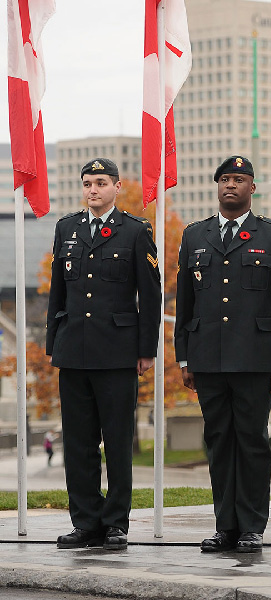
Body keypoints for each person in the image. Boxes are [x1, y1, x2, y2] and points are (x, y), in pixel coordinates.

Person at [175, 155, 271, 553]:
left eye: (240, 179)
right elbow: (185, 303)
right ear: (217, 186)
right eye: (225, 179)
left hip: (255, 359)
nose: (231, 185)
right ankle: (224, 525)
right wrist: (183, 358)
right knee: (218, 442)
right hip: (207, 357)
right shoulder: (195, 236)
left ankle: (251, 526)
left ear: (252, 188)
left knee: (251, 442)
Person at [46, 158, 161, 550]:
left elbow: (150, 294)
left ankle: (115, 523)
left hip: (117, 353)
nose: (92, 190)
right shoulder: (67, 228)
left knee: (116, 442)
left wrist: (147, 349)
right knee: (78, 444)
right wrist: (52, 344)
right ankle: (85, 522)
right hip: (73, 350)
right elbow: (57, 292)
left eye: (99, 183)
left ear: (117, 187)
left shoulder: (135, 230)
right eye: (87, 183)